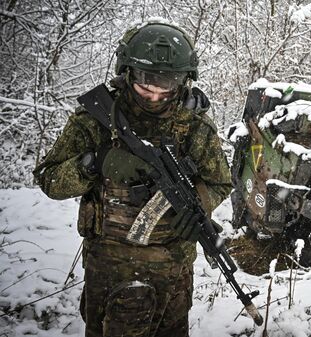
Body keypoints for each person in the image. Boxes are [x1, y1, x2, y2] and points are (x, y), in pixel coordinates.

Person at [33, 20, 232, 337]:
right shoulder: (97, 118)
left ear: (183, 82)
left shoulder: (194, 126)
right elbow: (48, 178)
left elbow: (221, 182)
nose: (154, 97)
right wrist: (96, 163)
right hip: (110, 268)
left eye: (164, 89)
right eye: (144, 87)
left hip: (174, 271)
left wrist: (197, 205)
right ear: (126, 72)